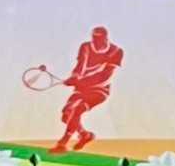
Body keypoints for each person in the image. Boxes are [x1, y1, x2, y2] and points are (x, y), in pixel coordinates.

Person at [50, 26, 123, 154]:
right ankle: (85, 135)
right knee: (66, 116)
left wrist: (81, 81)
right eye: (94, 38)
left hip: (100, 90)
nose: (96, 41)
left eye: (99, 38)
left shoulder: (116, 51)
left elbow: (105, 76)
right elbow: (79, 67)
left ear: (106, 38)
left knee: (76, 110)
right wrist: (74, 77)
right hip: (82, 89)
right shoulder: (85, 47)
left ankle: (62, 143)